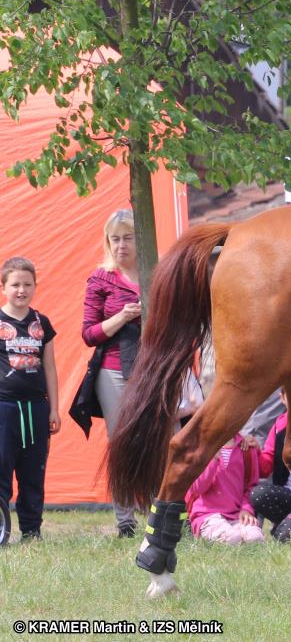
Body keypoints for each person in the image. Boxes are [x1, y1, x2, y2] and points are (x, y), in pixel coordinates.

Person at [80, 209, 142, 537]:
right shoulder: (101, 278)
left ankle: (161, 511)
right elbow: (88, 334)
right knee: (120, 443)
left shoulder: (156, 272)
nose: (121, 246)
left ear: (140, 239)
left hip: (152, 370)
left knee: (158, 440)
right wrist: (122, 317)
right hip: (113, 371)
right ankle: (125, 520)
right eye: (115, 239)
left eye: (128, 238)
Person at [0, 257, 59, 542]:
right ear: (3, 288)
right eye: (15, 285)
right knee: (2, 468)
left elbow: (50, 368)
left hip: (36, 407)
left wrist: (54, 409)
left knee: (33, 470)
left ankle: (32, 530)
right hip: (4, 408)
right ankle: (2, 530)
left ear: (35, 286)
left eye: (27, 284)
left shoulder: (41, 323)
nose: (21, 290)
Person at [185, 432, 263, 545]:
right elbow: (197, 488)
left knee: (255, 538)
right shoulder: (200, 447)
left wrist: (246, 509)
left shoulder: (246, 448)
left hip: (236, 515)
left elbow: (251, 486)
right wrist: (213, 458)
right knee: (232, 539)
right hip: (207, 514)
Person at [250, 390, 291, 542]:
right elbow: (265, 468)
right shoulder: (280, 425)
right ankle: (290, 521)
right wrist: (255, 450)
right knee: (257, 495)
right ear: (282, 398)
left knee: (285, 537)